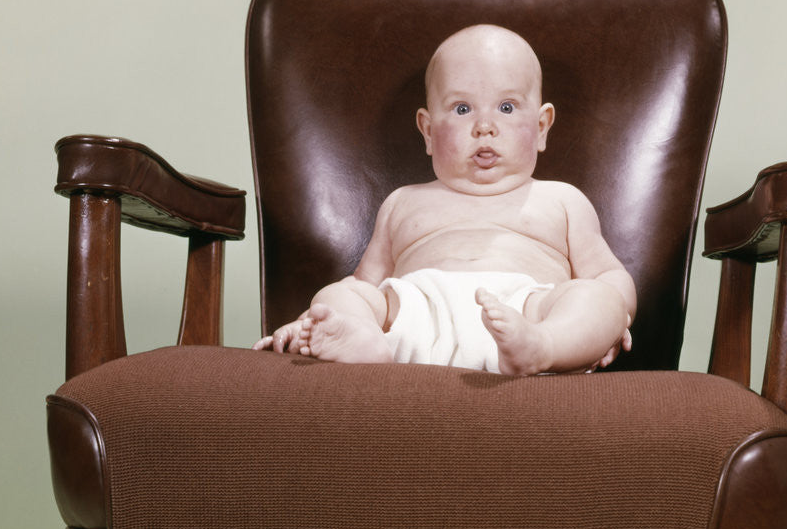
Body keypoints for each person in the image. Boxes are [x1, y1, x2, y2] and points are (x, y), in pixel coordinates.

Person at [253, 24, 635, 375]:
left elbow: (608, 275)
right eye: (462, 108)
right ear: (429, 131)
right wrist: (312, 319)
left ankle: (545, 348)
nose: (485, 126)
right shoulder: (403, 203)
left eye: (506, 107)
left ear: (540, 127)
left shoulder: (561, 200)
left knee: (597, 296)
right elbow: (366, 284)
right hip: (414, 316)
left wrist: (610, 321)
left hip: (527, 315)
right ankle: (365, 345)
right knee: (342, 293)